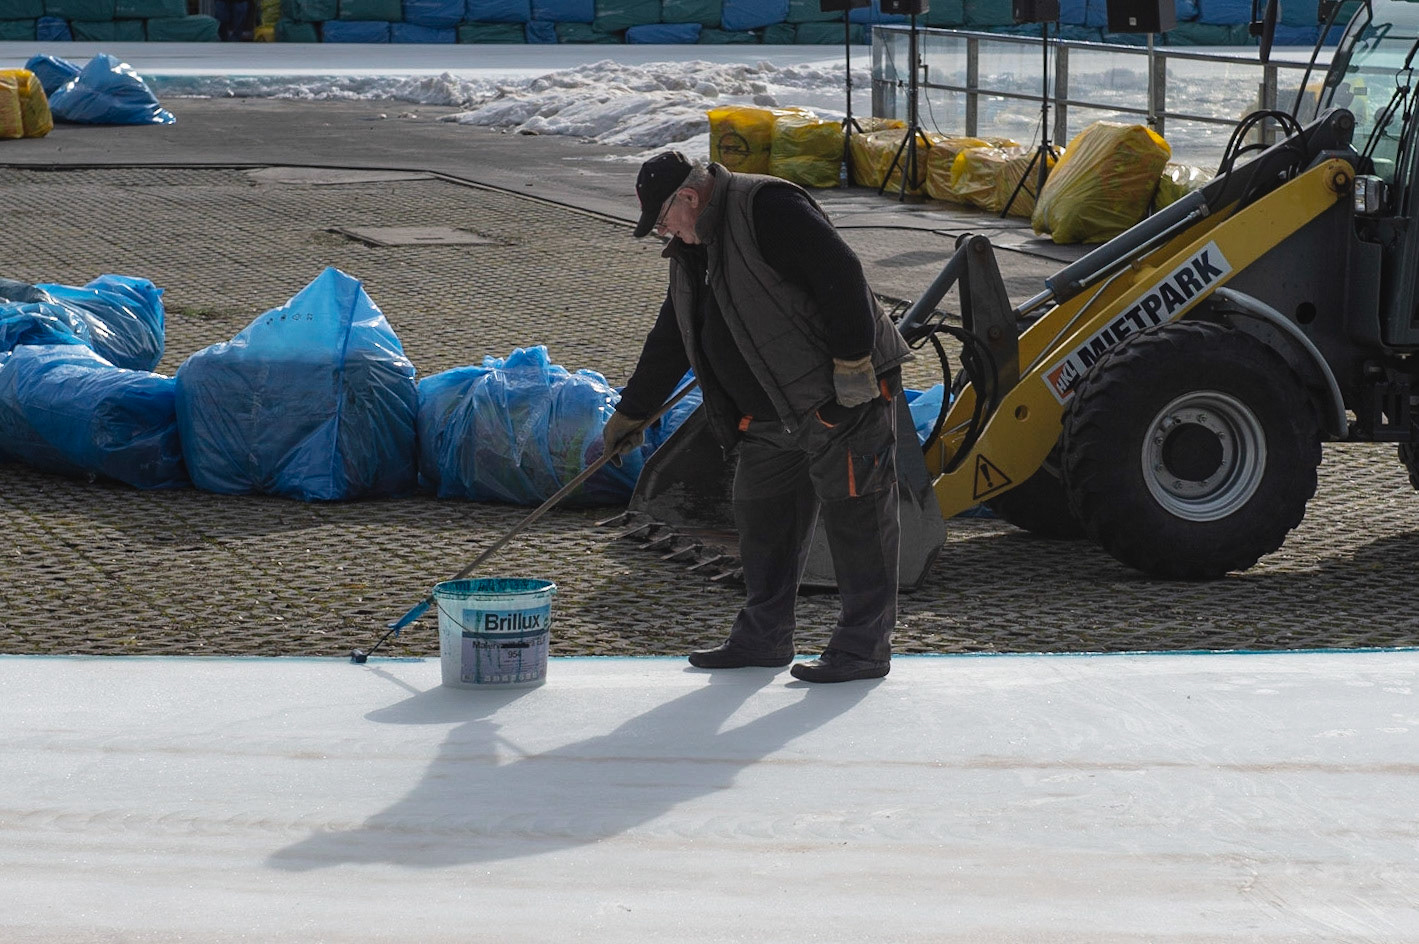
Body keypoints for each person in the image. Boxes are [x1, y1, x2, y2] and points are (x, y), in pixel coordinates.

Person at [602, 151, 912, 683]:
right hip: (767, 414)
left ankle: (863, 649)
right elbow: (673, 335)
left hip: (837, 400)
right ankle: (763, 637)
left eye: (663, 221)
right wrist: (632, 413)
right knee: (763, 520)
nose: (664, 233)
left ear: (689, 197)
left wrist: (852, 363)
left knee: (857, 518)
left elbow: (840, 274)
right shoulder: (692, 249)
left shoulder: (767, 206)